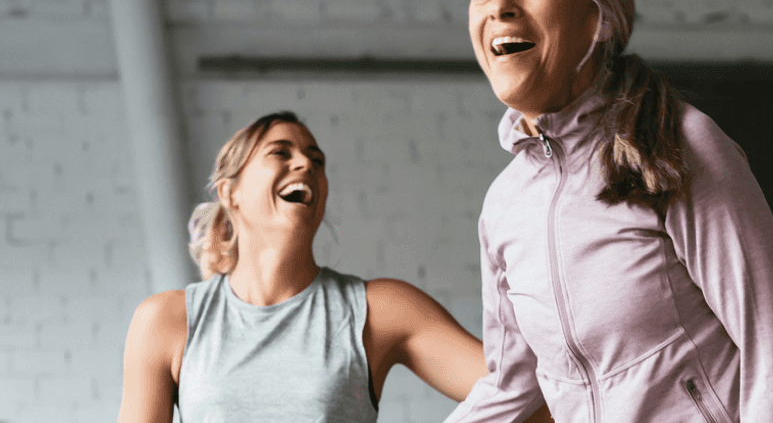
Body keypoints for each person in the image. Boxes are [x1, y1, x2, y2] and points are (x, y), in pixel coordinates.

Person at [444, 0, 773, 423]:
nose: (500, 6)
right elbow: (511, 389)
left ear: (598, 16)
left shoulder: (680, 144)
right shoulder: (504, 205)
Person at [118, 112, 552, 423]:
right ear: (230, 193)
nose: (306, 164)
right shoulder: (166, 322)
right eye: (280, 152)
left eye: (316, 159)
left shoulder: (381, 310)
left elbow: (533, 400)